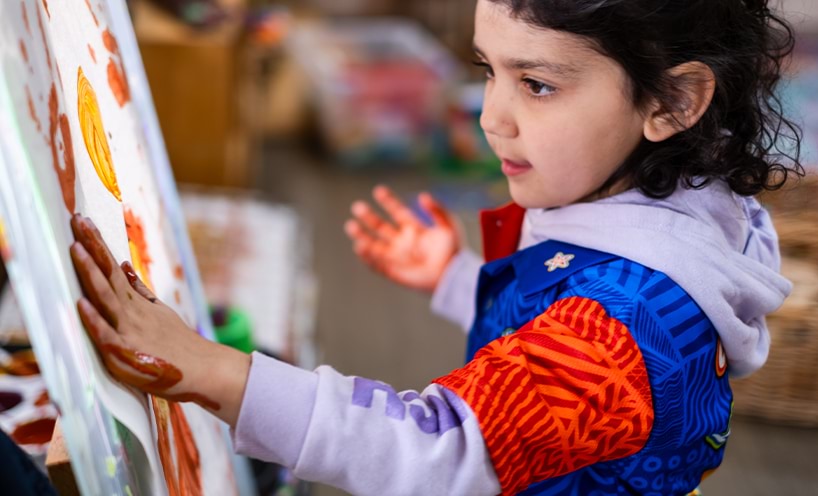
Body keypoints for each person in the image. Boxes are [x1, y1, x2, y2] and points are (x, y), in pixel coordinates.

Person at [69, 0, 803, 494]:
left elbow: (441, 446)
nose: (492, 118)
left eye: (538, 85)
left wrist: (217, 373)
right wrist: (454, 277)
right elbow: (553, 339)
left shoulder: (622, 331)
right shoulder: (670, 196)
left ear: (673, 102)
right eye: (489, 70)